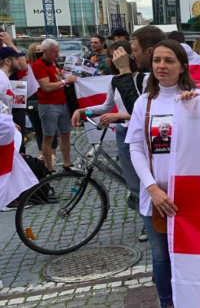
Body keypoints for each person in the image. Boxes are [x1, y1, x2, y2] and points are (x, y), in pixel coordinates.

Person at [126, 39, 200, 308]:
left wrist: (195, 111)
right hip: (157, 197)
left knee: (193, 255)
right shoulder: (144, 103)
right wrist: (152, 188)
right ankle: (167, 303)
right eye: (157, 60)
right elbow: (136, 149)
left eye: (169, 60)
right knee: (161, 258)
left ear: (183, 66)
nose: (162, 66)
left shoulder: (199, 98)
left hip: (191, 196)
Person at [70, 40, 148, 240]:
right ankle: (145, 217)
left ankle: (149, 222)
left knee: (145, 179)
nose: (115, 60)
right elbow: (106, 106)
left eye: (118, 56)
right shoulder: (115, 81)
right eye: (113, 57)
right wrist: (83, 110)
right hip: (124, 134)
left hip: (142, 134)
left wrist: (119, 116)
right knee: (132, 181)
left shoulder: (144, 80)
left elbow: (144, 112)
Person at [32, 39, 77, 173]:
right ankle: (49, 167)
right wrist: (64, 81)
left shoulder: (52, 63)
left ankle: (67, 163)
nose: (57, 55)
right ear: (45, 51)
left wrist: (64, 77)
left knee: (65, 134)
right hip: (48, 105)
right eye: (54, 52)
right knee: (49, 137)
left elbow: (56, 79)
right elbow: (45, 86)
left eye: (58, 51)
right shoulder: (38, 65)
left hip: (62, 102)